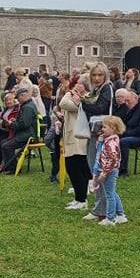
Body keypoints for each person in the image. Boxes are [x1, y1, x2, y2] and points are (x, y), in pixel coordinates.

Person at [59, 77, 93, 210]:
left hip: (79, 137)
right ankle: (78, 197)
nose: (78, 86)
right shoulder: (73, 95)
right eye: (77, 83)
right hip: (70, 135)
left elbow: (66, 104)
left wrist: (73, 98)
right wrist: (74, 97)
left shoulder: (88, 97)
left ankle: (81, 199)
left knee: (76, 168)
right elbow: (64, 103)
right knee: (72, 168)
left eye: (81, 84)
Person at [92, 115, 127, 225]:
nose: (102, 129)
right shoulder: (107, 140)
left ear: (113, 129)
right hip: (106, 169)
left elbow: (112, 159)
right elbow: (100, 151)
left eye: (105, 127)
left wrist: (104, 172)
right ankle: (121, 215)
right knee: (111, 192)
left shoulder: (111, 143)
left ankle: (110, 218)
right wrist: (100, 141)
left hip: (109, 171)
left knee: (109, 195)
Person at [115, 88, 140, 176]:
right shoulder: (134, 107)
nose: (126, 103)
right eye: (125, 101)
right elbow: (126, 121)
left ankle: (123, 170)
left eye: (128, 101)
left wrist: (124, 133)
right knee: (114, 137)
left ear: (136, 98)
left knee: (123, 141)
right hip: (135, 134)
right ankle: (113, 165)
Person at [0, 86, 37, 174]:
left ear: (23, 95)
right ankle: (8, 166)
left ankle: (13, 169)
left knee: (7, 146)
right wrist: (15, 121)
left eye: (18, 98)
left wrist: (12, 124)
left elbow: (24, 124)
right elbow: (23, 121)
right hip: (25, 134)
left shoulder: (28, 107)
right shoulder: (27, 105)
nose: (17, 100)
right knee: (3, 142)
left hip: (27, 135)